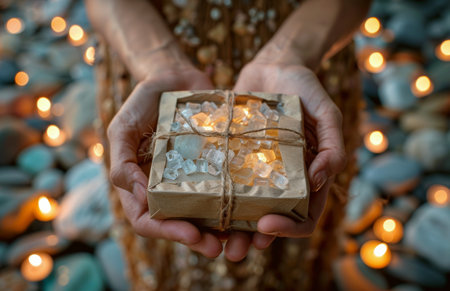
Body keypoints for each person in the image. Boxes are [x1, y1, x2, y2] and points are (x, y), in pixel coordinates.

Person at [86, 0, 370, 288]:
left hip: (309, 48)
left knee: (293, 225)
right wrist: (157, 63)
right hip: (142, 50)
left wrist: (291, 54)